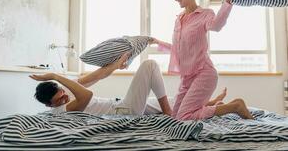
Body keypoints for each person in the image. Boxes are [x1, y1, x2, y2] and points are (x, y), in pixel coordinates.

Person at [150, 0, 253, 120]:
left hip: (204, 73)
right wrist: (157, 42)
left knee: (185, 117)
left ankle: (235, 107)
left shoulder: (205, 15)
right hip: (187, 78)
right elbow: (179, 50)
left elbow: (217, 26)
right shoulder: (179, 19)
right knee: (175, 118)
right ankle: (219, 106)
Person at [31, 54, 228, 117]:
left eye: (63, 93)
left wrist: (118, 64)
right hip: (123, 111)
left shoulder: (68, 90)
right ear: (50, 105)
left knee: (176, 101)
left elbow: (100, 74)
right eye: (60, 99)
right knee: (150, 65)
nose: (65, 97)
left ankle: (209, 104)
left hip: (123, 103)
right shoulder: (59, 111)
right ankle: (169, 113)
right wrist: (57, 75)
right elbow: (87, 96)